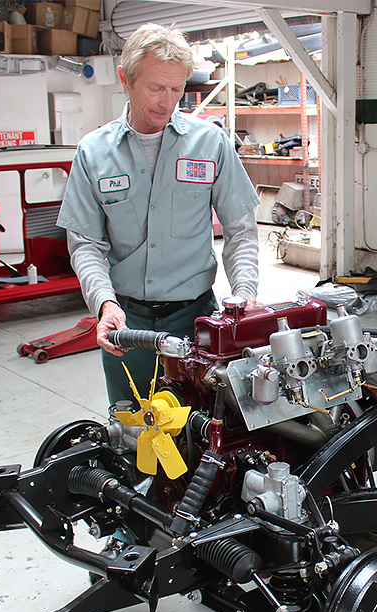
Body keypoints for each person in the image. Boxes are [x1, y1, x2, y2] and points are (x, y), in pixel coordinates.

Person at [58, 23, 260, 404]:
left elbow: (241, 231)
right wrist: (105, 303)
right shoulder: (92, 153)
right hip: (125, 324)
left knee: (201, 437)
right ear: (125, 79)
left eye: (177, 89)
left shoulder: (210, 143)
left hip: (195, 321)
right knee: (129, 433)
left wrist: (245, 295)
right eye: (156, 88)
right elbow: (85, 244)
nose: (167, 102)